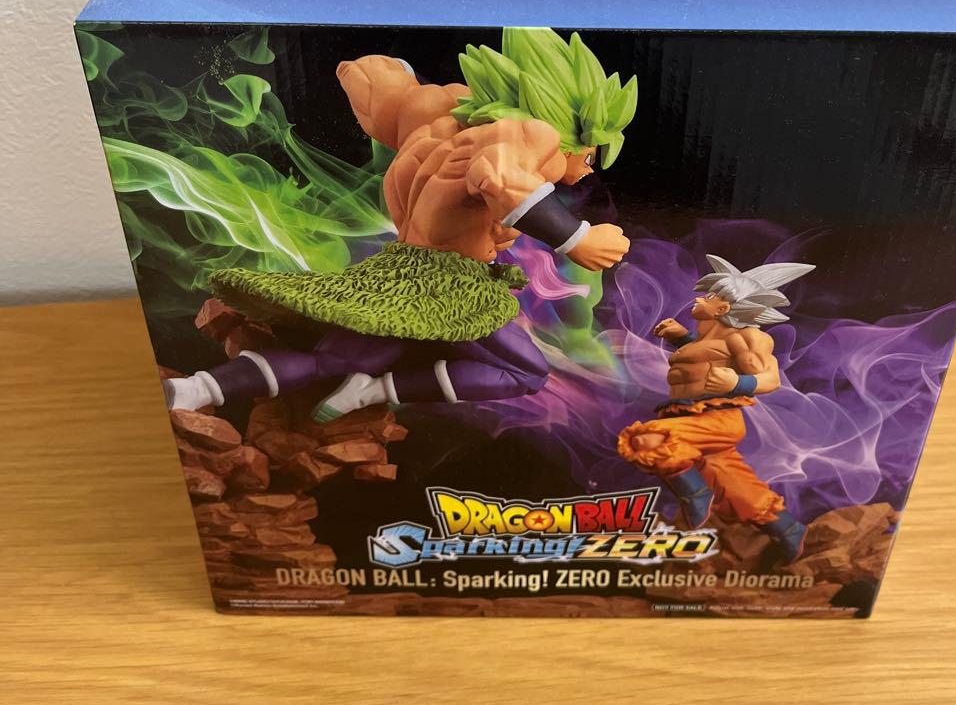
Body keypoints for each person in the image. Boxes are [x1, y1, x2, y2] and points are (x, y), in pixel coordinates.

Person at [164, 28, 637, 421]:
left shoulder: (447, 125)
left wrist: (387, 73)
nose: (588, 169)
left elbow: (391, 99)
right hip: (451, 283)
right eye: (592, 156)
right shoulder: (531, 136)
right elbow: (499, 177)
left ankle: (195, 390)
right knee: (526, 372)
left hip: (397, 268)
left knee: (333, 360)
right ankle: (375, 391)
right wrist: (577, 239)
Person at [617, 254, 814, 563]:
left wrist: (737, 382)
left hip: (716, 419)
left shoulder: (747, 337)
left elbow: (770, 378)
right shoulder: (708, 340)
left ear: (723, 309)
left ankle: (696, 494)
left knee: (648, 439)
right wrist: (682, 338)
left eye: (709, 296)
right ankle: (788, 529)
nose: (699, 299)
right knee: (734, 486)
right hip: (690, 417)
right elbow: (708, 357)